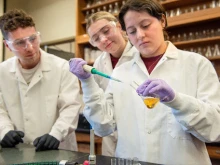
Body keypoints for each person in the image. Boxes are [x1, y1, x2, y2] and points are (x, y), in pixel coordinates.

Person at [69, 0, 220, 164]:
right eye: (132, 31)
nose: (140, 35)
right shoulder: (121, 72)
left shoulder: (197, 64)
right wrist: (87, 83)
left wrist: (177, 101)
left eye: (146, 25)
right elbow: (103, 127)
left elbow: (214, 129)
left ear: (162, 21)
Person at [0, 9, 81, 151]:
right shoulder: (2, 72)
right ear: (7, 45)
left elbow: (70, 107)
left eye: (32, 39)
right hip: (18, 151)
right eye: (20, 43)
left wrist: (56, 134)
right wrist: (4, 130)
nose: (30, 47)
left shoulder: (62, 68)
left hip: (59, 149)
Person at [72, 11, 138, 156]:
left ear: (119, 26)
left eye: (106, 31)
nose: (103, 39)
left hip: (139, 134)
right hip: (110, 137)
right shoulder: (99, 63)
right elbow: (98, 99)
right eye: (96, 38)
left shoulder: (140, 53)